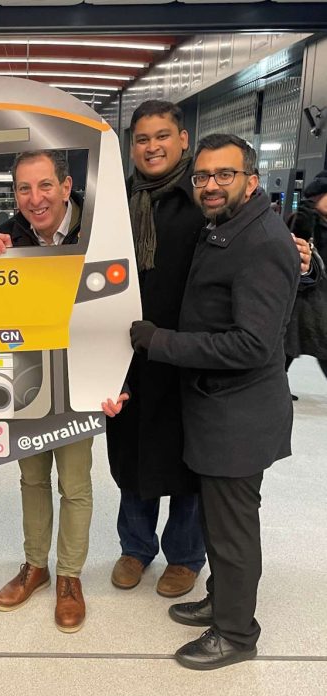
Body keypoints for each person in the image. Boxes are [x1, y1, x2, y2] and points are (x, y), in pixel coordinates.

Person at [127, 134, 299, 669]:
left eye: (224, 175)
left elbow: (253, 344)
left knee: (232, 530)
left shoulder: (263, 242)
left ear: (251, 179)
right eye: (202, 176)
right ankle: (221, 603)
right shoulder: (228, 228)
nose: (210, 185)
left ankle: (235, 634)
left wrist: (161, 341)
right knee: (219, 526)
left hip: (238, 416)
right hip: (217, 407)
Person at [0, 150, 93, 633]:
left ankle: (69, 575)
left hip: (81, 375)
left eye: (44, 186)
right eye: (24, 188)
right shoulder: (10, 237)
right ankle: (36, 567)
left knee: (76, 483)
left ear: (66, 187)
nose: (35, 198)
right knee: (31, 477)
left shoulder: (100, 230)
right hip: (26, 377)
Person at [102, 100, 207, 599]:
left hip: (189, 353)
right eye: (142, 139)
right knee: (133, 453)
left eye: (162, 136)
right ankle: (136, 547)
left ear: (183, 139)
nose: (152, 146)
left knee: (190, 457)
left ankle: (185, 556)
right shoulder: (118, 201)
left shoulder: (204, 199)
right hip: (130, 356)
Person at [284, 170, 327, 387]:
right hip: (304, 297)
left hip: (320, 298)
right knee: (288, 348)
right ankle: (276, 385)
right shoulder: (303, 218)